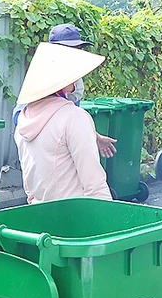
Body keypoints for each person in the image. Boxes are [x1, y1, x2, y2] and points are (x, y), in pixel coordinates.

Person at [15, 42, 112, 202]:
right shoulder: (74, 117)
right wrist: (109, 220)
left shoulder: (23, 119)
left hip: (40, 214)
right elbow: (94, 183)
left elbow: (29, 187)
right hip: (75, 217)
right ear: (65, 82)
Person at [13, 23, 117, 159]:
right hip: (40, 156)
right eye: (70, 49)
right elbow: (20, 119)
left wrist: (94, 137)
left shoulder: (74, 80)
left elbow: (72, 117)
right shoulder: (41, 80)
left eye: (78, 49)